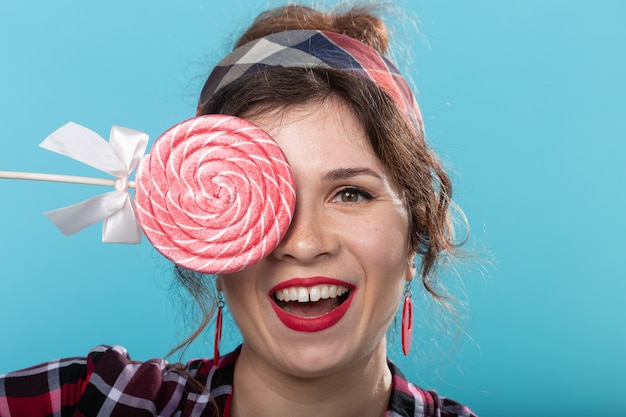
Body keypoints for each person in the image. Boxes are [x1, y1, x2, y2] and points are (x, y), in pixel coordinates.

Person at [0, 3, 477, 417]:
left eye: (350, 193)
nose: (305, 243)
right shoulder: (91, 402)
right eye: (260, 196)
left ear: (417, 235)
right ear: (207, 240)